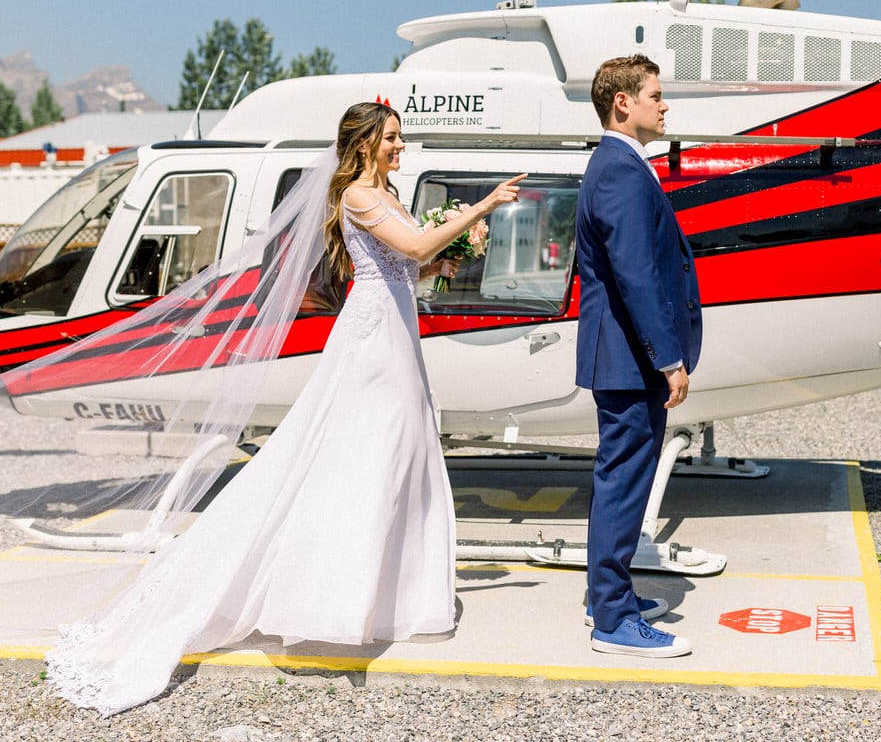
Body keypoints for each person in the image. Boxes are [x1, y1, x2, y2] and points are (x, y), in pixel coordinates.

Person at [45, 101, 525, 714]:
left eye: (402, 138)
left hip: (397, 331)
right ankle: (329, 594)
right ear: (365, 143)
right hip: (374, 342)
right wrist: (480, 207)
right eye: (393, 138)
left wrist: (448, 259)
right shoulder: (356, 195)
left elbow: (414, 260)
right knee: (369, 457)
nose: (402, 147)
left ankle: (386, 595)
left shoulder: (387, 193)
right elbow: (415, 240)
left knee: (401, 453)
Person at [574, 54, 702, 658]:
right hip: (628, 357)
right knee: (624, 479)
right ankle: (614, 621)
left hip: (623, 356)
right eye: (655, 94)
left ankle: (608, 597)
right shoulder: (620, 170)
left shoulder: (618, 163)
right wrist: (668, 358)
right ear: (622, 102)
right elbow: (637, 274)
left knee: (622, 475)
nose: (664, 104)